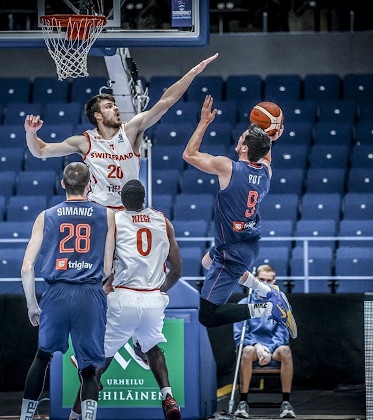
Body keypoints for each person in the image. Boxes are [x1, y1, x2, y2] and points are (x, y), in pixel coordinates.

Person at [24, 53, 219, 209]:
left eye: (115, 105)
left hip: (126, 211)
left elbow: (165, 102)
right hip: (98, 210)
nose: (116, 108)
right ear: (97, 116)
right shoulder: (84, 142)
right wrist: (31, 133)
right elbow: (40, 151)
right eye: (109, 106)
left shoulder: (131, 131)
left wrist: (192, 73)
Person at [183, 95, 297, 337]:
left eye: (243, 138)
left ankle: (268, 307)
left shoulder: (228, 168)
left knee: (208, 316)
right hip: (247, 242)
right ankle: (267, 291)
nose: (240, 137)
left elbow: (189, 155)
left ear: (245, 147)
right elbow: (263, 149)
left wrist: (204, 121)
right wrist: (271, 135)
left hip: (231, 251)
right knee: (206, 262)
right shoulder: (266, 171)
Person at [69, 179, 183, 420]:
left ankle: (76, 416)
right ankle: (168, 396)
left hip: (124, 295)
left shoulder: (115, 220)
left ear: (122, 200)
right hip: (152, 299)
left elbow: (105, 265)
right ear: (144, 198)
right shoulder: (164, 221)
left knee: (100, 362)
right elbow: (176, 271)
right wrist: (161, 290)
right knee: (152, 347)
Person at [19, 162, 116, 420]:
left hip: (55, 293)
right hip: (90, 293)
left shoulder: (46, 216)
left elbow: (27, 267)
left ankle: (25, 417)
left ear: (63, 184)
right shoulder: (106, 215)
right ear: (89, 185)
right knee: (89, 368)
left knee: (42, 358)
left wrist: (32, 305)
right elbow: (107, 266)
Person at [232, 265, 295, 419]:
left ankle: (286, 403)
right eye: (261, 280)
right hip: (253, 348)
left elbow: (283, 334)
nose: (265, 283)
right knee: (246, 351)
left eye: (269, 280)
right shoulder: (243, 304)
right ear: (255, 280)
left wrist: (268, 349)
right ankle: (243, 402)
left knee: (286, 350)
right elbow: (240, 334)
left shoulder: (281, 305)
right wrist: (257, 346)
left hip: (274, 348)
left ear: (274, 281)